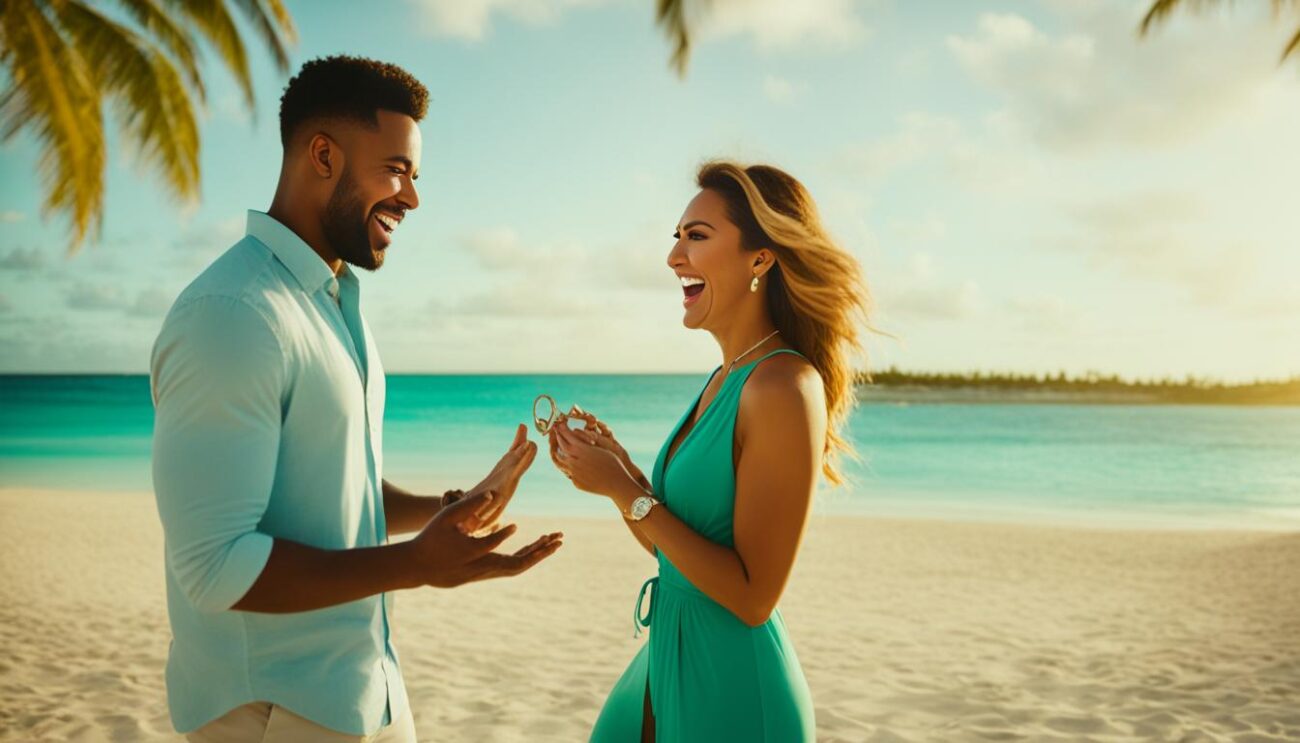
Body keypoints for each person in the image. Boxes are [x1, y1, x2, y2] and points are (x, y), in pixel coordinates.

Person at [149, 55, 563, 742]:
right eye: (396, 169)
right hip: (273, 713)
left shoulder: (332, 304)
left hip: (360, 688)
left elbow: (329, 483)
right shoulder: (233, 314)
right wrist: (416, 564)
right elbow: (216, 567)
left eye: (415, 176)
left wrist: (446, 513)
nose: (413, 197)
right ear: (322, 155)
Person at [546, 161, 870, 742]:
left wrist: (626, 491)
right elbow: (672, 551)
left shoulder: (782, 387)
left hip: (732, 689)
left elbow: (752, 597)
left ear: (761, 258)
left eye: (696, 237)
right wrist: (620, 475)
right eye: (676, 237)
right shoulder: (725, 378)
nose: (674, 257)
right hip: (664, 658)